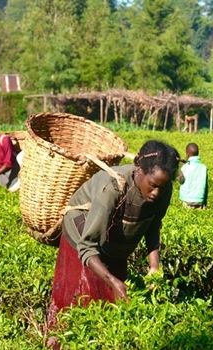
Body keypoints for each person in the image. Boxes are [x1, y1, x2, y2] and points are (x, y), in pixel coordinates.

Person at [46, 140, 179, 330]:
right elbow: (87, 247)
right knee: (81, 299)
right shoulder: (112, 187)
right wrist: (111, 280)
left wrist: (154, 266)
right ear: (139, 170)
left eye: (162, 187)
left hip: (114, 241)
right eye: (153, 185)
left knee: (113, 302)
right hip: (82, 237)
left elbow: (153, 225)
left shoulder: (163, 188)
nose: (157, 193)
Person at [178, 142, 208, 208]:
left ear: (187, 153)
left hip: (186, 200)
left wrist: (179, 167)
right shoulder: (204, 167)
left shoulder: (184, 167)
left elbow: (181, 181)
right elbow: (206, 186)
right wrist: (205, 201)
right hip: (200, 200)